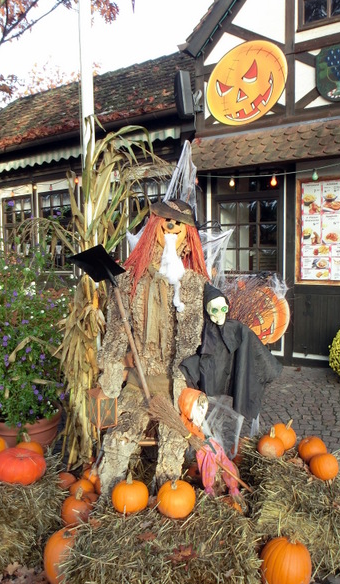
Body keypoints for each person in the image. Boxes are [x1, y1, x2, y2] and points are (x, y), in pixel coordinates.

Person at [97, 200, 210, 496]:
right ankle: (109, 497)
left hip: (175, 389)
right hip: (138, 383)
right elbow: (116, 335)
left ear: (188, 236)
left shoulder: (194, 285)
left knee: (174, 445)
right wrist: (112, 374)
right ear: (154, 227)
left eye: (179, 224)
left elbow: (197, 340)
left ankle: (167, 496)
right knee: (119, 438)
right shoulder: (129, 280)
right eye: (166, 221)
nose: (171, 227)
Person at [180, 283, 282, 424]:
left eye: (223, 309)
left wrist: (267, 369)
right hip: (213, 375)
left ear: (227, 308)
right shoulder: (203, 332)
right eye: (214, 310)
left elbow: (253, 348)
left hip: (229, 371)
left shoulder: (237, 328)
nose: (219, 314)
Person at [178, 387, 241, 497]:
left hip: (209, 446)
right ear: (188, 408)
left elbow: (203, 436)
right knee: (210, 461)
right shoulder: (186, 424)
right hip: (204, 451)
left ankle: (232, 485)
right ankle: (210, 488)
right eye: (199, 411)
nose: (202, 415)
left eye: (204, 411)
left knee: (224, 461)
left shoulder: (197, 425)